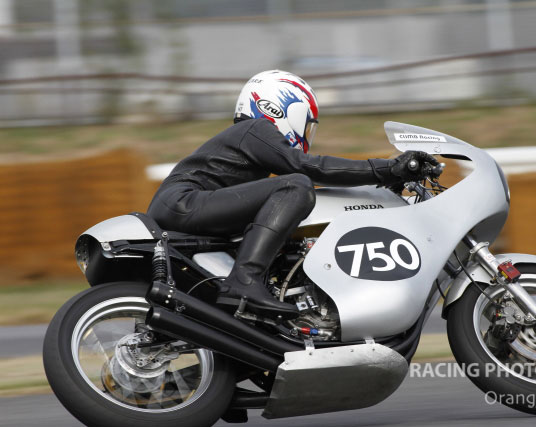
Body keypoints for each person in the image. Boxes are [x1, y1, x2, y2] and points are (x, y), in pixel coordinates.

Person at [147, 70, 437, 318]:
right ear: (279, 109)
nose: (307, 134)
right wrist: (387, 169)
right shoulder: (255, 128)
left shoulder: (248, 140)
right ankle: (244, 280)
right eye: (305, 122)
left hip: (184, 204)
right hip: (183, 201)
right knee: (296, 185)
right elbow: (307, 166)